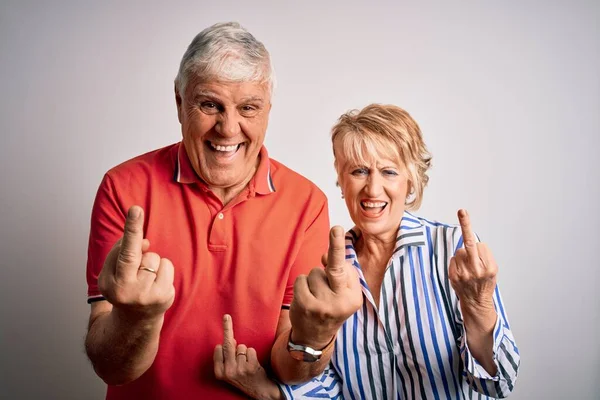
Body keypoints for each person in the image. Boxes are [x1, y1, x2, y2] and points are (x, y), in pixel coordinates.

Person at [84, 22, 359, 400]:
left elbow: (287, 370)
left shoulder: (307, 204)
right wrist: (137, 318)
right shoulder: (123, 188)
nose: (228, 129)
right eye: (210, 104)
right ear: (180, 103)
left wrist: (314, 337)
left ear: (267, 111)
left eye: (248, 107)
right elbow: (111, 367)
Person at [221, 104, 520, 399]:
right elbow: (329, 388)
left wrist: (479, 307)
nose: (373, 189)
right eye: (359, 171)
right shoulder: (327, 269)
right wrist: (272, 393)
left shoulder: (450, 250)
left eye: (389, 172)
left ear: (411, 180)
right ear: (341, 180)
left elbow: (500, 384)